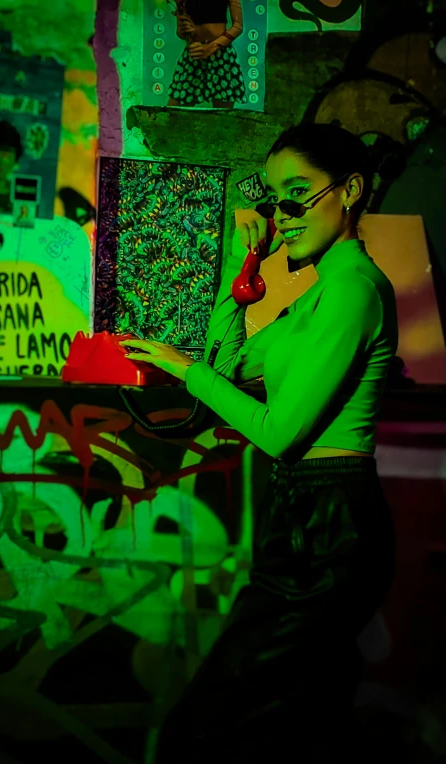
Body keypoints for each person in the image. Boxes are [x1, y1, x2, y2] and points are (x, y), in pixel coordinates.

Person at [122, 123, 398, 762]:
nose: (283, 214)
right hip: (303, 515)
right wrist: (244, 262)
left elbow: (280, 433)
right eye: (274, 199)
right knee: (299, 717)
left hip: (333, 520)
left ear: (350, 191)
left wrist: (183, 368)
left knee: (215, 721)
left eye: (297, 194)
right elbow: (228, 363)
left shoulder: (353, 290)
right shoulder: (313, 298)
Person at [168, 0, 247, 109]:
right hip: (194, 53)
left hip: (220, 55)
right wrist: (185, 29)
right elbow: (180, 32)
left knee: (222, 117)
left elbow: (238, 26)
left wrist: (210, 48)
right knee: (175, 111)